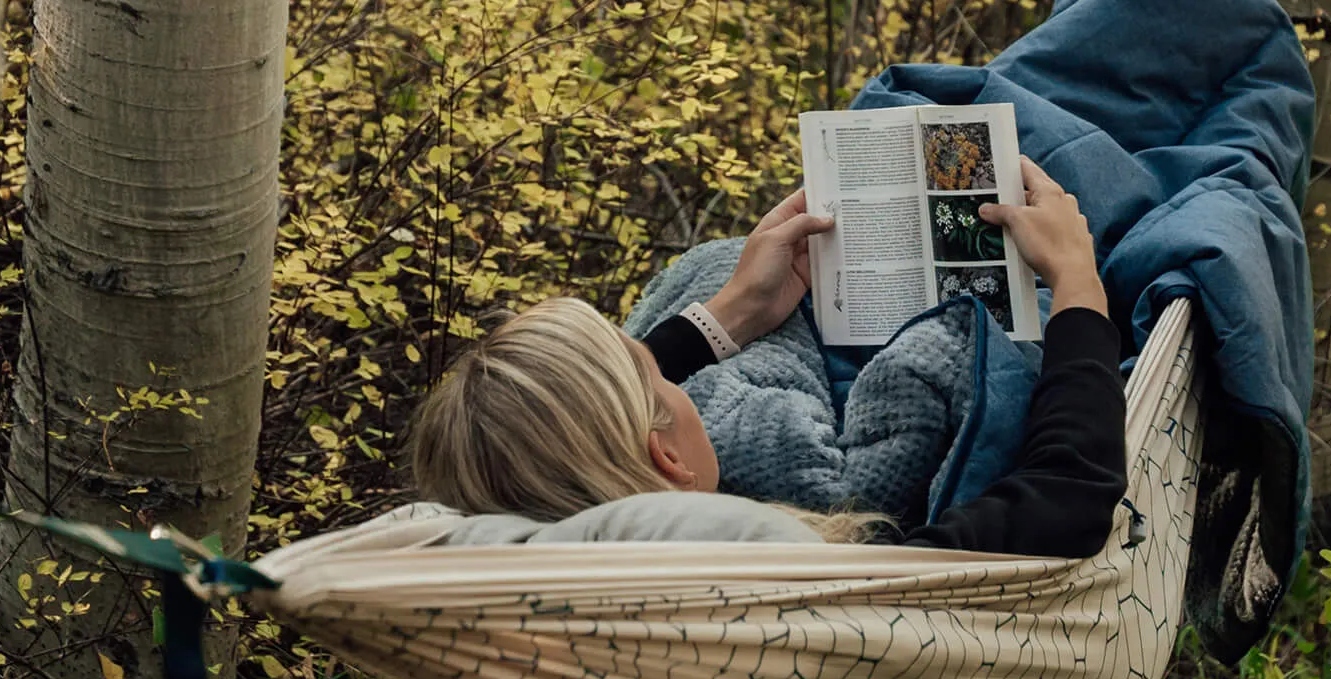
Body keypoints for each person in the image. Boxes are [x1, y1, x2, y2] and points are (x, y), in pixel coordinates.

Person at [410, 158, 1126, 556]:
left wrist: (735, 314)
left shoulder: (584, 554)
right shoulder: (832, 576)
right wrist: (1076, 279)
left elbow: (593, 417)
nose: (679, 370)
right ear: (668, 462)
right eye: (663, 373)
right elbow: (1070, 497)